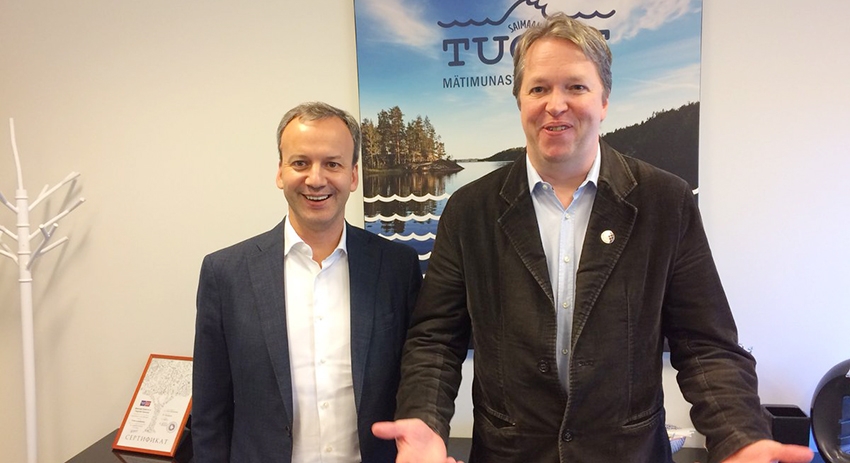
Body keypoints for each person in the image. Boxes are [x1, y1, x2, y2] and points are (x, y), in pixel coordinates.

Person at [372, 13, 814, 463]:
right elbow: (436, 340)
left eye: (576, 87)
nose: (555, 104)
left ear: (604, 100)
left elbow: (705, 344)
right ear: (519, 100)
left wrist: (738, 436)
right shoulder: (470, 209)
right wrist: (424, 420)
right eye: (539, 88)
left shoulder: (665, 200)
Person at [192, 101, 423, 462]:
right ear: (280, 172)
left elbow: (417, 378)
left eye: (332, 164)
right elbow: (210, 412)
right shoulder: (225, 274)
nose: (316, 179)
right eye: (300, 163)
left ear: (353, 176)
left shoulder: (397, 267)